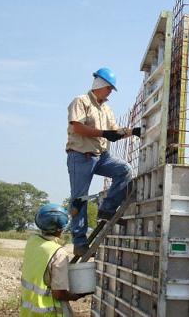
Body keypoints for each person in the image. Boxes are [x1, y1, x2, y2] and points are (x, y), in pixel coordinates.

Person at [66, 67, 139, 256]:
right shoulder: (81, 102)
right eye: (109, 89)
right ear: (100, 84)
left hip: (100, 156)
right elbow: (78, 128)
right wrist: (103, 133)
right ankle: (79, 242)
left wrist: (132, 131)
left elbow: (114, 130)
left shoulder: (106, 109)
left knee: (124, 170)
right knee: (79, 199)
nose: (109, 93)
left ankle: (106, 209)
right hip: (80, 155)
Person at [20, 204, 89, 316]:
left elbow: (55, 221)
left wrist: (72, 213)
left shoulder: (32, 242)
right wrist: (76, 296)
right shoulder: (58, 253)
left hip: (27, 312)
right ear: (61, 229)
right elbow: (59, 293)